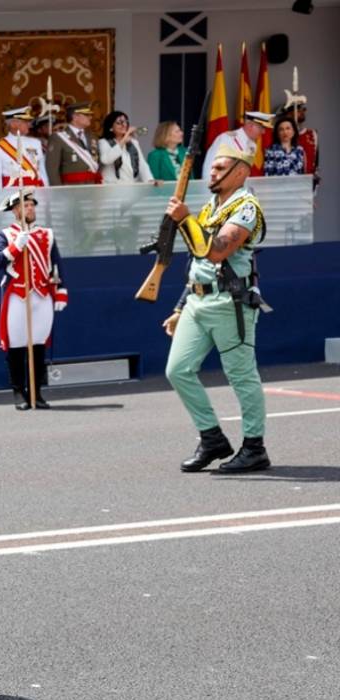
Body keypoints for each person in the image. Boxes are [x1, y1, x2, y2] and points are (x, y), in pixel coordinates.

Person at [163, 142, 270, 473]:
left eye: (220, 167)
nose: (212, 171)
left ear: (241, 172)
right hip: (197, 300)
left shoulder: (246, 206)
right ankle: (212, 438)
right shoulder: (210, 206)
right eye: (211, 167)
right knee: (177, 370)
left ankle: (254, 447)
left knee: (241, 375)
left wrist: (185, 220)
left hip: (229, 301)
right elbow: (198, 260)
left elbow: (218, 251)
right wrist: (181, 305)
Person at [0, 189, 68, 410]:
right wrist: (15, 247)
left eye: (32, 205)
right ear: (15, 210)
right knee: (16, 344)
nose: (31, 208)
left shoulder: (47, 234)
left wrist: (61, 291)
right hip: (17, 295)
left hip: (42, 295)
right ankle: (18, 391)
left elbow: (56, 264)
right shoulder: (4, 235)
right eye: (25, 205)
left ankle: (37, 392)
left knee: (38, 345)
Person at [202, 110, 273, 179]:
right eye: (261, 128)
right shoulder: (226, 138)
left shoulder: (253, 146)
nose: (263, 132)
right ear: (251, 126)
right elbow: (209, 167)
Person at [0, 107, 48, 188]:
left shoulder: (36, 143)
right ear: (13, 124)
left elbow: (42, 172)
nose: (29, 125)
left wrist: (46, 193)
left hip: (36, 191)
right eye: (25, 122)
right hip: (12, 193)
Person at [46, 101, 101, 186]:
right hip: (71, 188)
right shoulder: (58, 138)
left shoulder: (92, 137)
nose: (90, 117)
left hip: (92, 187)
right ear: (75, 116)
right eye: (86, 115)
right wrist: (57, 192)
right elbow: (52, 170)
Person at [98, 110, 154, 184]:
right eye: (119, 123)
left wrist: (149, 180)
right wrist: (124, 140)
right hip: (112, 187)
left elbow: (142, 164)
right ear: (111, 127)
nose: (124, 125)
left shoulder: (133, 142)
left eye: (125, 122)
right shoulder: (103, 142)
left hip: (131, 185)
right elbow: (106, 160)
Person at [280, 96, 317, 175]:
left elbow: (315, 162)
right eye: (298, 109)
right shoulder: (281, 137)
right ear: (289, 115)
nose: (302, 111)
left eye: (303, 109)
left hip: (308, 183)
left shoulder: (312, 135)